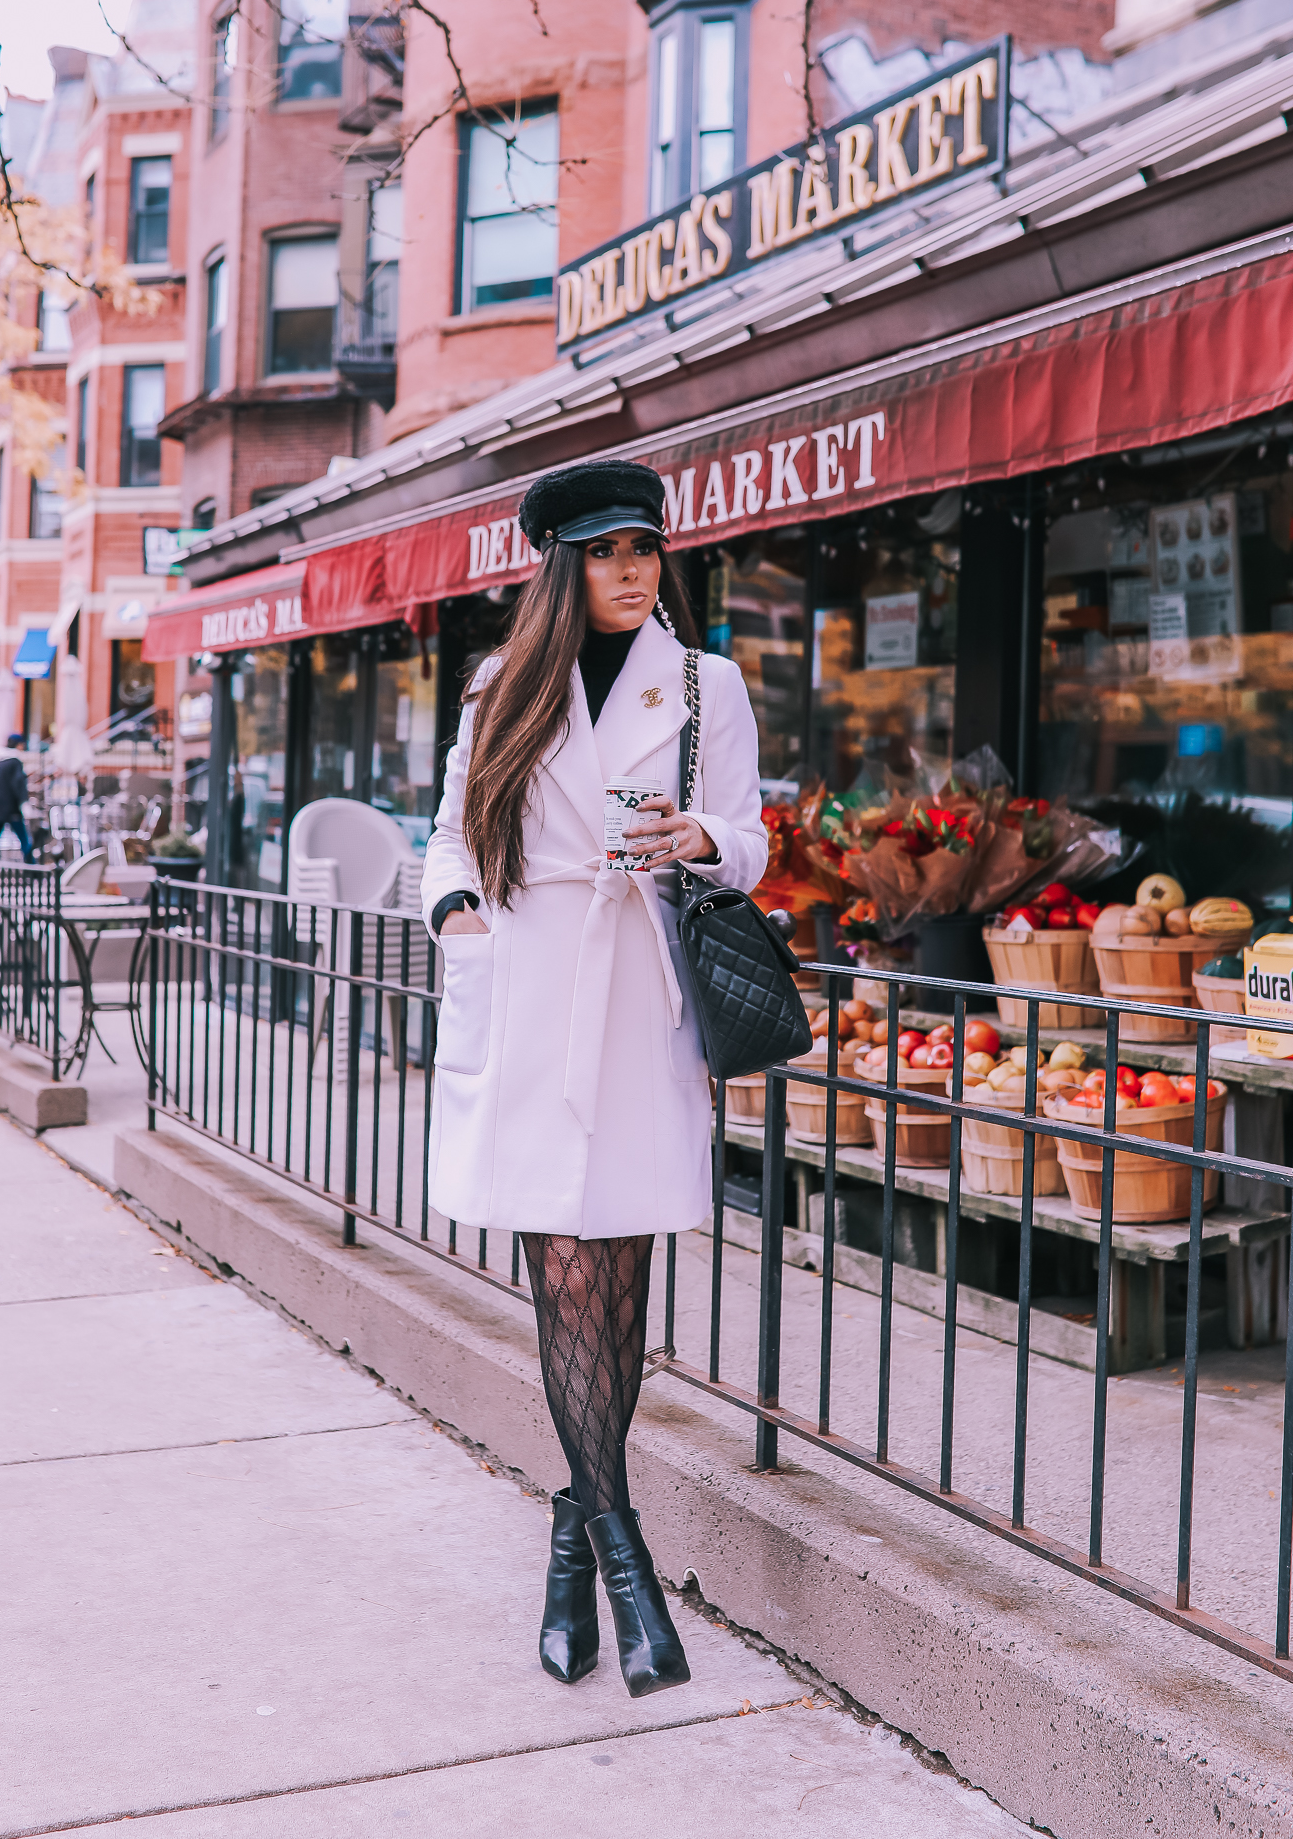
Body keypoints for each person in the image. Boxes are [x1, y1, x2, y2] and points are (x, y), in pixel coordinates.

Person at [422, 459, 767, 1698]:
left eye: (648, 546)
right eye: (610, 549)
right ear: (563, 564)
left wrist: (703, 839)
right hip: (527, 994)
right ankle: (626, 1559)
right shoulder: (497, 685)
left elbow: (752, 830)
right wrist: (459, 916)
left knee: (617, 1281)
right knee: (567, 1273)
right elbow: (454, 833)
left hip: (638, 998)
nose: (634, 568)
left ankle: (576, 1531)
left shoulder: (703, 682)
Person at [0, 735, 34, 863]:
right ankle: (33, 869)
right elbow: (18, 785)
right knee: (24, 841)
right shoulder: (15, 762)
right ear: (18, 745)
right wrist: (24, 804)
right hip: (11, 810)